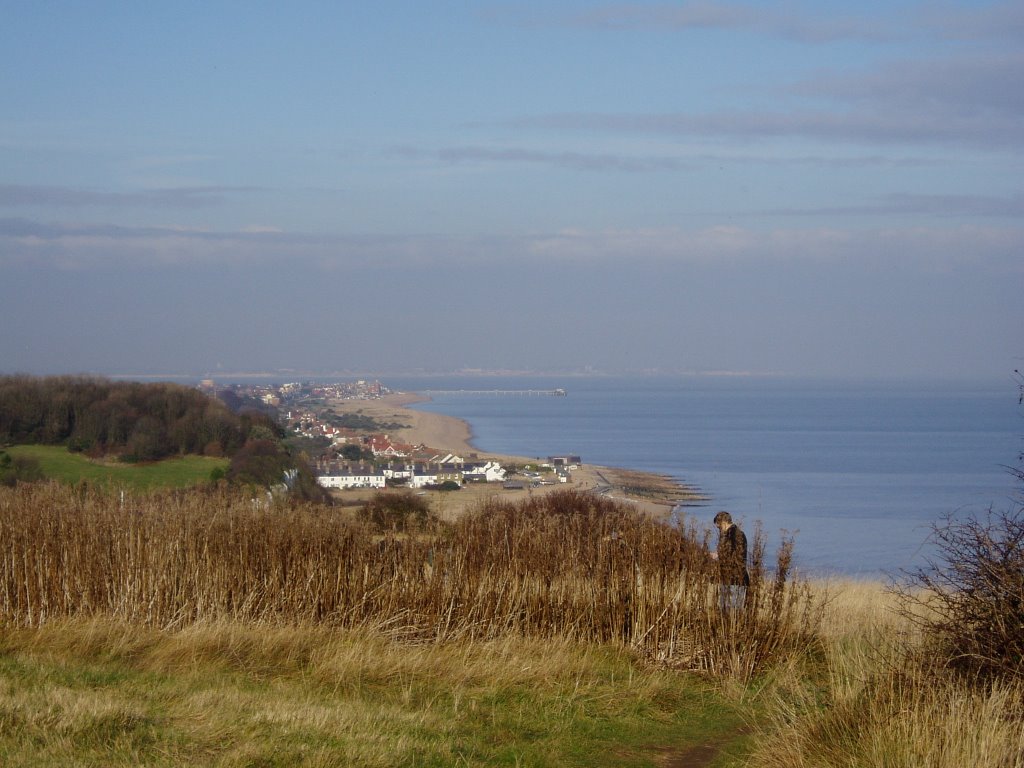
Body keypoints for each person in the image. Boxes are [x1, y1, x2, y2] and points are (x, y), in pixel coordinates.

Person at [712, 511, 749, 612]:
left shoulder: (734, 535)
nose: (719, 530)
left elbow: (736, 557)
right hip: (733, 578)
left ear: (724, 523)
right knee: (731, 611)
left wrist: (719, 555)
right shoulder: (738, 534)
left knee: (730, 611)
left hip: (734, 579)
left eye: (719, 527)